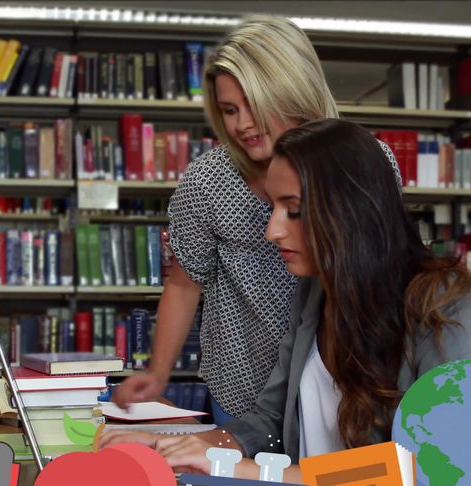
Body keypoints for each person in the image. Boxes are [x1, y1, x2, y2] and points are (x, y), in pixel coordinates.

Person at [102, 119, 471, 486]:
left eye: (292, 210)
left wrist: (247, 470)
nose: (272, 230)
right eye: (273, 206)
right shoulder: (317, 290)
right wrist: (178, 449)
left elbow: (434, 475)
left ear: (349, 209)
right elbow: (270, 418)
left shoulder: (445, 299)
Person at [111, 15, 339, 424]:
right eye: (229, 110)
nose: (243, 125)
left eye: (255, 104)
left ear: (293, 91)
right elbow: (183, 283)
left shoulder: (358, 165)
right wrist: (158, 373)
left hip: (335, 383)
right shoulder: (208, 181)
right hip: (241, 387)